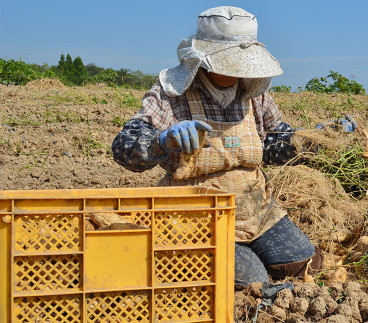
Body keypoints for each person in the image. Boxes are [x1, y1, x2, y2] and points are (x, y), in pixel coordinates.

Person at [112, 6, 354, 286]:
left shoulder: (253, 95)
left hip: (256, 210)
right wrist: (161, 141)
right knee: (251, 283)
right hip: (198, 218)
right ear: (203, 57)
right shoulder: (173, 93)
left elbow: (274, 143)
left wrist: (310, 139)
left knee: (303, 262)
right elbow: (124, 148)